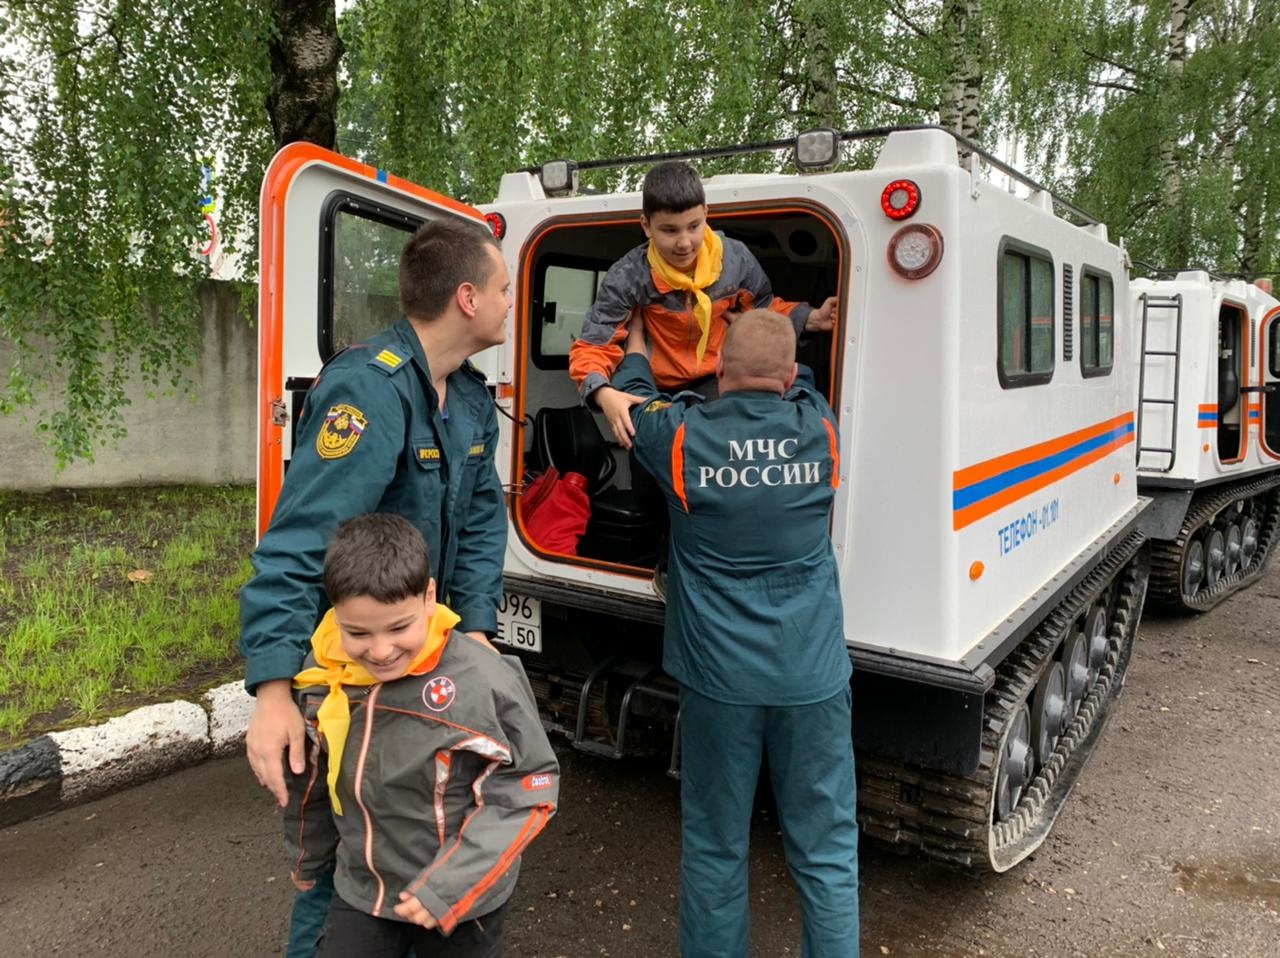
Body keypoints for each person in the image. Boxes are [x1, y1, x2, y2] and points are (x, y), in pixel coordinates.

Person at [240, 216, 513, 956]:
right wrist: (272, 691)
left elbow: (484, 523)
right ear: (466, 298)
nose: (509, 302)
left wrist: (477, 634)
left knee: (426, 849)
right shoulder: (371, 390)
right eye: (502, 288)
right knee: (340, 876)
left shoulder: (468, 398)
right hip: (355, 675)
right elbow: (299, 542)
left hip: (428, 669)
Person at [613, 309, 860, 958]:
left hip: (720, 682)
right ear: (789, 376)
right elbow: (803, 381)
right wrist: (795, 338)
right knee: (827, 852)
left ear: (719, 368)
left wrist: (638, 346)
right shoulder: (822, 430)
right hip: (812, 678)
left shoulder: (681, 437)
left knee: (716, 845)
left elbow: (632, 404)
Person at [284, 513, 558, 957]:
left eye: (398, 627)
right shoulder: (325, 676)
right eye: (356, 632)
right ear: (334, 612)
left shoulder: (482, 680)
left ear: (430, 596)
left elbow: (529, 786)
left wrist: (450, 885)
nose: (380, 650)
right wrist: (309, 855)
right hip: (363, 891)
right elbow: (312, 779)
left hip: (463, 903)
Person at [568, 159, 838, 449]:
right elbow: (594, 345)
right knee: (647, 460)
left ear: (707, 214)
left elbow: (763, 312)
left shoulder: (735, 260)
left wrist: (812, 319)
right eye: (670, 231)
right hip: (654, 386)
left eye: (694, 226)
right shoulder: (629, 275)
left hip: (716, 379)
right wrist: (603, 392)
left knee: (716, 455)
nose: (684, 242)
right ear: (647, 226)